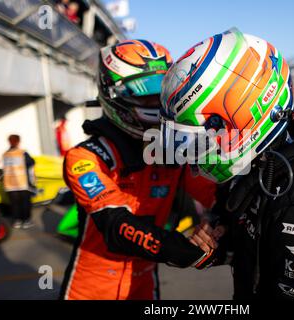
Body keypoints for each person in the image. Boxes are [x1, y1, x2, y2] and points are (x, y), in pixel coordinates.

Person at [160, 28, 294, 300]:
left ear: (245, 116)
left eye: (205, 135)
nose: (198, 150)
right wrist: (222, 238)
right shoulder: (260, 173)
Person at [60, 39, 217, 300]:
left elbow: (215, 194)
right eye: (145, 92)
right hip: (89, 289)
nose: (157, 102)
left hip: (144, 286)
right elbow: (116, 226)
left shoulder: (175, 151)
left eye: (163, 91)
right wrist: (178, 248)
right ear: (111, 93)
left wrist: (217, 226)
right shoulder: (85, 157)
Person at [2, 135, 36, 229]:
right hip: (22, 182)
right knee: (25, 203)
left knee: (14, 204)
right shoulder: (22, 153)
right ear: (18, 142)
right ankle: (26, 221)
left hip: (10, 184)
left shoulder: (5, 154)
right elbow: (31, 163)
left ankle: (17, 221)